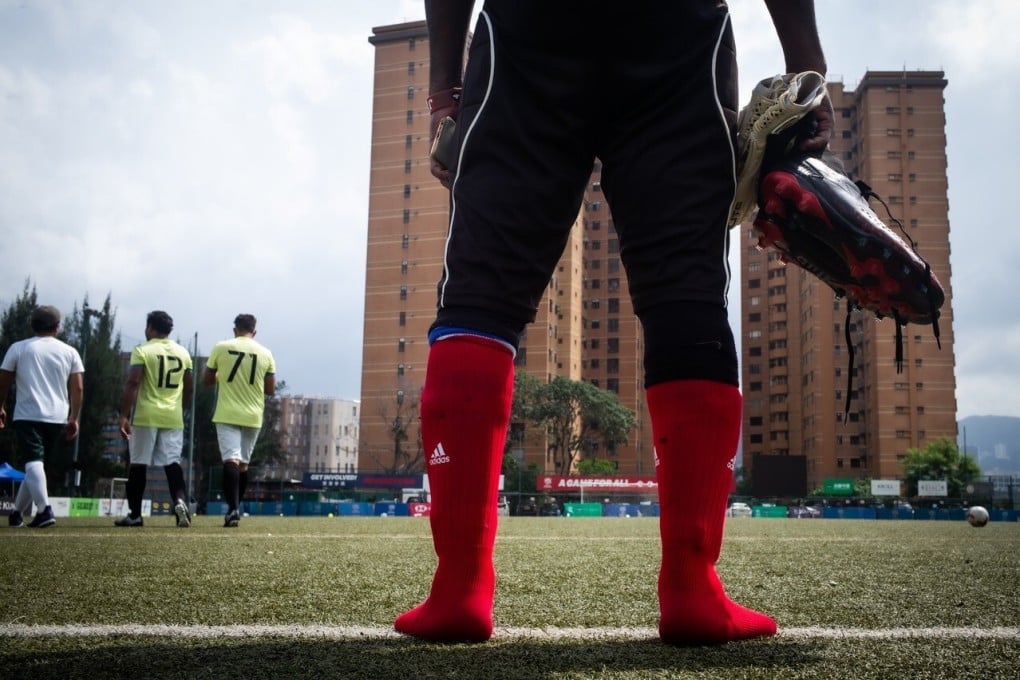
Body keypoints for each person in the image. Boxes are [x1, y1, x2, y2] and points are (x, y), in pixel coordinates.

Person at [398, 0, 832, 644]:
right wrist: (809, 71)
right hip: (676, 37)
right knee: (687, 293)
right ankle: (691, 589)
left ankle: (458, 589)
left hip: (529, 33)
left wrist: (445, 92)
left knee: (480, 296)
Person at [0, 306, 84, 529]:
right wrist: (74, 417)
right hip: (57, 416)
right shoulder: (70, 351)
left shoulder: (18, 348)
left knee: (33, 463)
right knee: (36, 464)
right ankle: (17, 513)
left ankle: (44, 509)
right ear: (57, 327)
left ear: (32, 325)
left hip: (27, 414)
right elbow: (78, 388)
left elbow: (4, 382)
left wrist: (0, 406)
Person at [114, 311, 194, 528]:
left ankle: (135, 514)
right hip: (173, 416)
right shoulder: (183, 353)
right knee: (172, 463)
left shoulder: (142, 350)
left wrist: (123, 415)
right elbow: (189, 386)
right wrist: (181, 408)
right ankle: (179, 502)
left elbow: (132, 383)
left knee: (138, 463)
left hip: (146, 415)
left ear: (150, 328)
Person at [203, 314, 275, 528]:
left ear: (234, 329)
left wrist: (219, 376)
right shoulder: (266, 353)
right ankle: (237, 507)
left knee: (230, 461)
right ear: (255, 332)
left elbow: (206, 380)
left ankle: (233, 509)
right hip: (253, 414)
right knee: (243, 464)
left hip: (227, 413)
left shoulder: (221, 347)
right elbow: (270, 389)